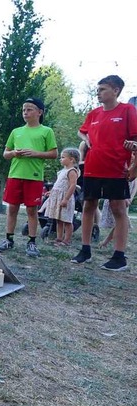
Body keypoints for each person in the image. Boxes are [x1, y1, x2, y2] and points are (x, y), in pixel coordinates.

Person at [71, 75, 137, 271]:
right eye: (97, 89)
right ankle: (85, 250)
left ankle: (119, 257)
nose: (98, 93)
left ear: (115, 90)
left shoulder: (127, 110)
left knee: (118, 209)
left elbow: (135, 141)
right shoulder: (94, 114)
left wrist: (133, 163)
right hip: (92, 167)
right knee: (88, 206)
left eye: (102, 89)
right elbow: (81, 131)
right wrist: (86, 137)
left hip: (116, 168)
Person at [0, 97, 58, 257]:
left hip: (34, 177)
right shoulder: (16, 132)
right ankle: (8, 240)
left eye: (29, 109)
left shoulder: (46, 131)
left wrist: (36, 153)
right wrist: (14, 153)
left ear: (39, 112)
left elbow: (54, 153)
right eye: (24, 109)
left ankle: (32, 242)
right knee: (12, 208)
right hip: (15, 175)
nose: (25, 112)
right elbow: (5, 154)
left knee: (32, 210)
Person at [39, 147, 80, 246]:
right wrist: (51, 192)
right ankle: (59, 238)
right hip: (57, 197)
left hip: (65, 198)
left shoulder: (72, 171)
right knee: (59, 219)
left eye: (63, 157)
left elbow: (72, 185)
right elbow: (58, 184)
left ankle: (66, 240)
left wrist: (66, 199)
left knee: (66, 220)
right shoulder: (62, 171)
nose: (60, 159)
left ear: (72, 159)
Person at [78, 139, 101, 239]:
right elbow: (79, 161)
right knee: (86, 202)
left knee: (94, 203)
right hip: (84, 173)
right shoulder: (84, 143)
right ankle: (89, 226)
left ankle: (95, 226)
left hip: (98, 173)